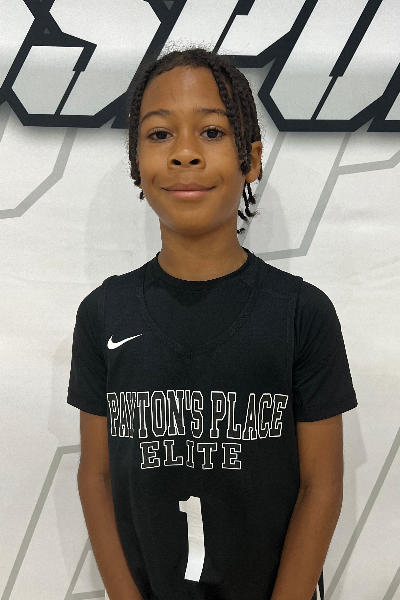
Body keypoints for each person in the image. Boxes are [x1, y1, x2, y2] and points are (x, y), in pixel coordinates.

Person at [67, 46, 358, 600]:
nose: (185, 154)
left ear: (251, 159)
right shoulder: (103, 313)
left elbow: (322, 484)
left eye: (211, 132)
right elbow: (95, 476)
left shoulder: (302, 313)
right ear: (136, 161)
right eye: (159, 134)